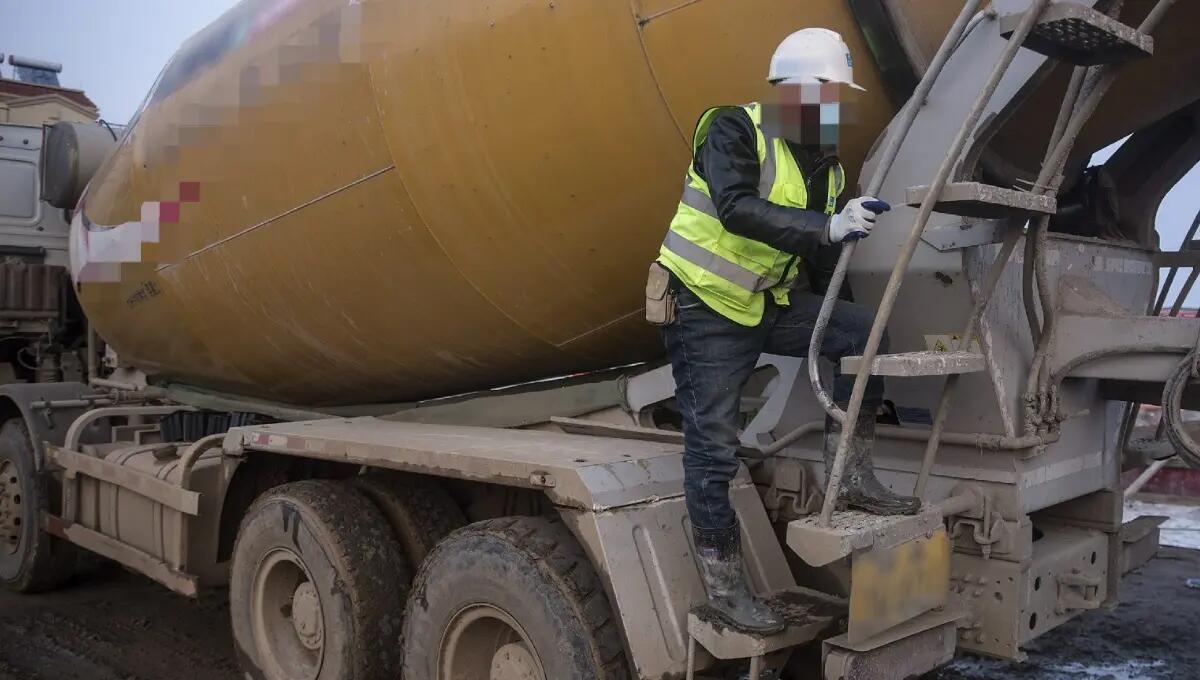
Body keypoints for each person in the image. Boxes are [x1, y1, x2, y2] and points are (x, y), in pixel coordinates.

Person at [648, 28, 920, 633]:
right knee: (714, 447)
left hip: (766, 302)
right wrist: (828, 228)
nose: (836, 106)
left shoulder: (825, 165)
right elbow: (737, 207)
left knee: (860, 331)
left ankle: (849, 478)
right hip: (705, 307)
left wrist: (845, 306)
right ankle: (724, 588)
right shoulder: (732, 128)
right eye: (829, 92)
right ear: (795, 87)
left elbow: (823, 264)